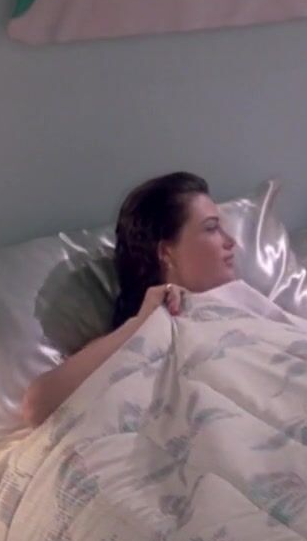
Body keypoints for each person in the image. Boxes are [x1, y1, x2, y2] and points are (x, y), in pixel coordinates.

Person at [21, 171, 237, 427]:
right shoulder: (134, 334)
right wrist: (140, 323)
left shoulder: (247, 307)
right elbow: (37, 407)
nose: (230, 241)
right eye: (211, 228)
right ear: (166, 252)